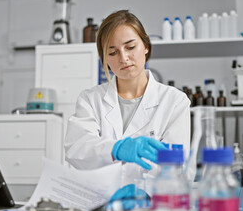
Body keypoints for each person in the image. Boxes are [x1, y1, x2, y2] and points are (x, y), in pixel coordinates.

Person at [64, 10, 191, 187]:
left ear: (146, 46)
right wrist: (114, 149)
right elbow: (76, 149)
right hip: (100, 203)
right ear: (105, 59)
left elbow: (176, 165)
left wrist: (143, 194)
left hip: (150, 206)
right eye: (113, 52)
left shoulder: (175, 101)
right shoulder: (90, 99)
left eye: (130, 47)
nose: (123, 58)